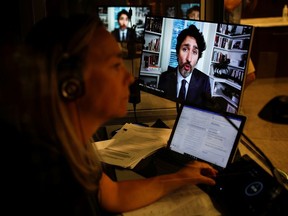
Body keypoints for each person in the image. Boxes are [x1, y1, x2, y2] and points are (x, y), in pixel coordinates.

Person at [0, 14, 217, 215]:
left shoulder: (71, 148)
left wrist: (180, 177)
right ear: (71, 85)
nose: (130, 79)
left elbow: (111, 194)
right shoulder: (52, 180)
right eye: (115, 65)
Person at [158, 24, 212, 108]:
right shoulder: (164, 77)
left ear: (198, 58)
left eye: (194, 52)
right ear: (177, 52)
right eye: (185, 49)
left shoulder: (204, 82)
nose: (189, 59)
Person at [224, 0, 257, 88]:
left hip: (235, 32)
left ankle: (233, 97)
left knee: (249, 76)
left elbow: (250, 8)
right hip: (227, 32)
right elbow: (229, 5)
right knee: (249, 76)